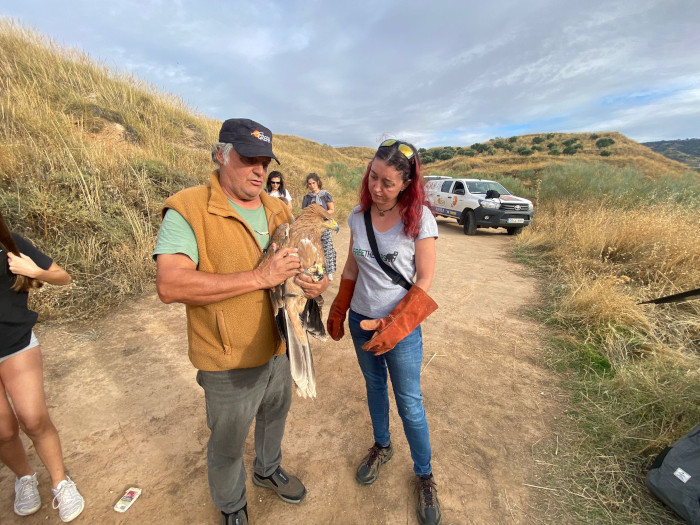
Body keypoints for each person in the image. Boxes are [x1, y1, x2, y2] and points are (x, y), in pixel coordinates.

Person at [154, 118, 328, 525]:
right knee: (228, 441)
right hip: (227, 357)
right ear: (220, 155)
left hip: (280, 347)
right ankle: (232, 504)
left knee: (274, 416)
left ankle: (267, 470)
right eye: (249, 159)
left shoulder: (277, 208)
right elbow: (170, 284)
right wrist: (259, 277)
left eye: (265, 162)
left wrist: (313, 285)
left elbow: (299, 268)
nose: (259, 171)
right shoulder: (188, 209)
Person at [326, 139, 442, 525]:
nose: (377, 187)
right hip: (362, 322)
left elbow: (424, 279)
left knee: (409, 401)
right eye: (373, 177)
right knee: (374, 388)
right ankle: (382, 445)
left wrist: (395, 324)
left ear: (407, 184)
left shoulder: (420, 217)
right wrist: (341, 305)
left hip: (402, 329)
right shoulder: (357, 217)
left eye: (388, 183)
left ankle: (424, 475)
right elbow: (352, 267)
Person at [0, 209, 85, 522]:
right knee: (3, 430)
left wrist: (31, 270)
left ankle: (61, 482)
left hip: (15, 344)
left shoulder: (7, 243)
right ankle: (24, 476)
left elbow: (63, 276)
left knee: (34, 420)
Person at [301, 173, 336, 280]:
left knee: (327, 247)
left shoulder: (325, 194)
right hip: (311, 227)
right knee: (313, 248)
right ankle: (316, 270)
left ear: (318, 182)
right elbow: (304, 212)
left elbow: (331, 209)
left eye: (313, 183)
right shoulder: (307, 197)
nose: (312, 185)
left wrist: (321, 214)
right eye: (309, 184)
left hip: (324, 224)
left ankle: (329, 271)